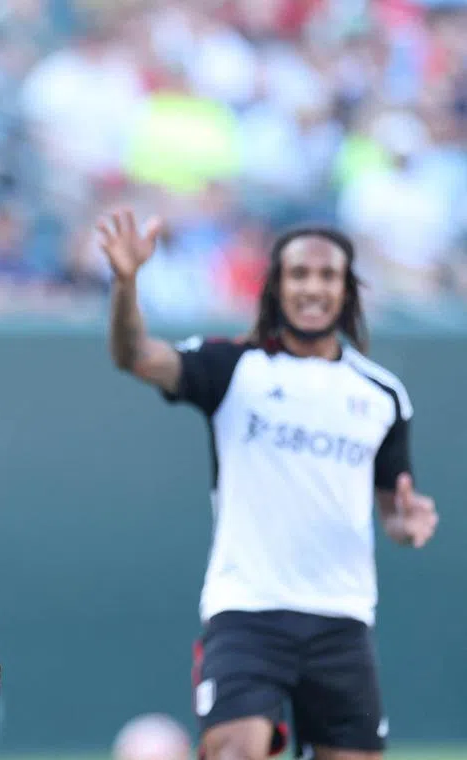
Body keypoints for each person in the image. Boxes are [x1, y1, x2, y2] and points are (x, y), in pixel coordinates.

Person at [97, 212, 438, 760]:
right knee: (236, 750)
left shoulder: (382, 395)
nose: (313, 287)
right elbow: (134, 355)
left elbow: (392, 508)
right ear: (276, 284)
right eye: (299, 273)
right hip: (248, 611)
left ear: (346, 290)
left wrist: (405, 523)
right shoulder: (235, 367)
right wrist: (127, 280)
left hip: (342, 618)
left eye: (328, 276)